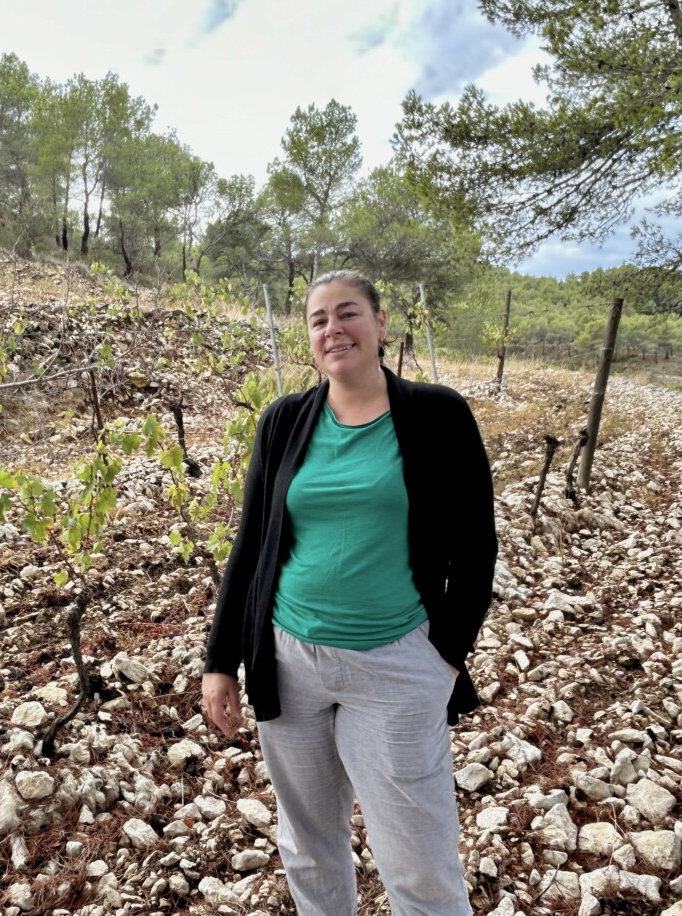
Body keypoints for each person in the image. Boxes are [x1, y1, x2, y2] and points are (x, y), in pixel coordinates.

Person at [202, 269, 498, 915]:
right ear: (308, 338)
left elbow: (476, 548)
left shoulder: (437, 413)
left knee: (417, 859)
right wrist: (221, 661)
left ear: (381, 322)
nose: (334, 329)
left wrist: (441, 657)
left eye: (349, 313)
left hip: (395, 664)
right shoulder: (284, 420)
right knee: (308, 845)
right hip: (288, 660)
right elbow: (251, 544)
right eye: (318, 319)